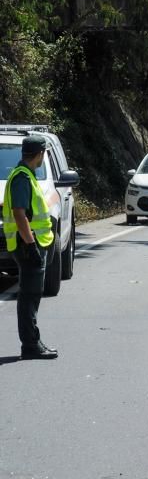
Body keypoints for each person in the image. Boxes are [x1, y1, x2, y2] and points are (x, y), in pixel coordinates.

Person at [3, 136, 57, 360]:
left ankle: (32, 342)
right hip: (27, 245)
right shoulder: (23, 178)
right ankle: (31, 345)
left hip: (30, 243)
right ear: (40, 154)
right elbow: (19, 213)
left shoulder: (26, 175)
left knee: (31, 296)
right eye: (43, 154)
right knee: (29, 296)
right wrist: (31, 244)